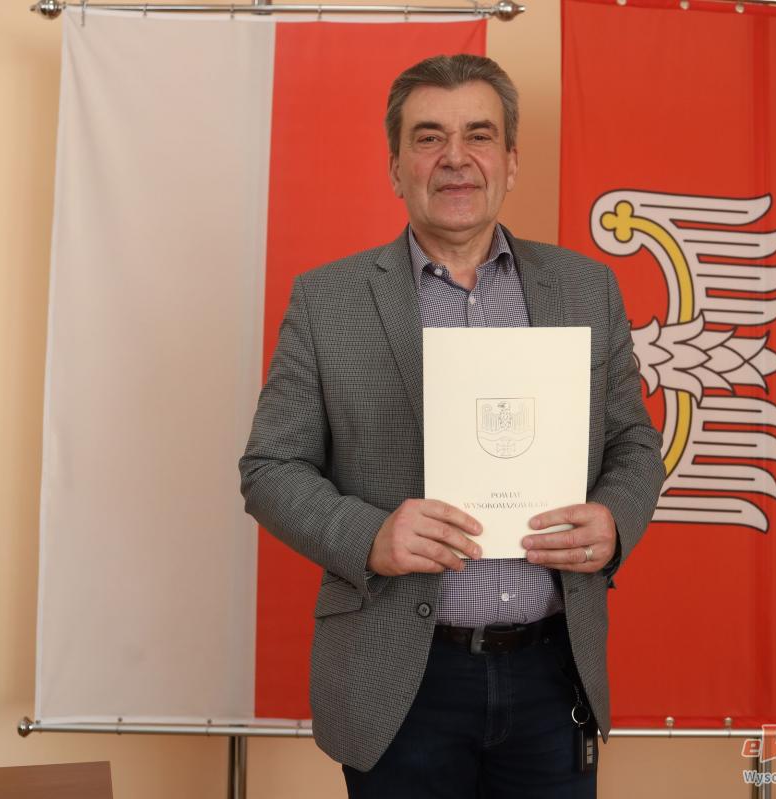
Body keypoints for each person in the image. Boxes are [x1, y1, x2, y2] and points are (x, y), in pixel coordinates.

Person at [239, 54, 664, 798]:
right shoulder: (328, 300)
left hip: (551, 671)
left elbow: (633, 443)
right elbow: (270, 467)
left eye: (479, 135)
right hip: (397, 678)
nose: (455, 157)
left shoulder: (585, 288)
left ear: (511, 161)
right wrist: (369, 536)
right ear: (395, 167)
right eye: (429, 137)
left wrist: (615, 520)